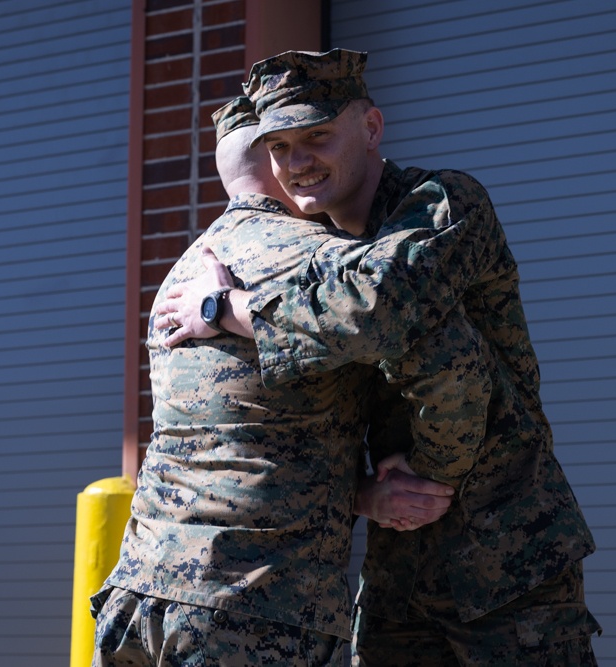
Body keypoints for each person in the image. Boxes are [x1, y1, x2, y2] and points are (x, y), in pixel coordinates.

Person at [162, 49, 602, 665]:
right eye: (280, 147)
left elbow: (379, 307)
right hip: (396, 569)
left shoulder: (443, 204)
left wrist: (228, 310)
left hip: (508, 558)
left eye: (316, 136)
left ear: (370, 128)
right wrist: (365, 494)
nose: (297, 163)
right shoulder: (312, 255)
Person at [91, 98, 465, 667]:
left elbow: (240, 441)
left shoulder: (182, 275)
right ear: (276, 164)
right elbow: (447, 365)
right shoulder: (326, 263)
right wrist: (432, 476)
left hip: (138, 599)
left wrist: (361, 495)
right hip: (253, 608)